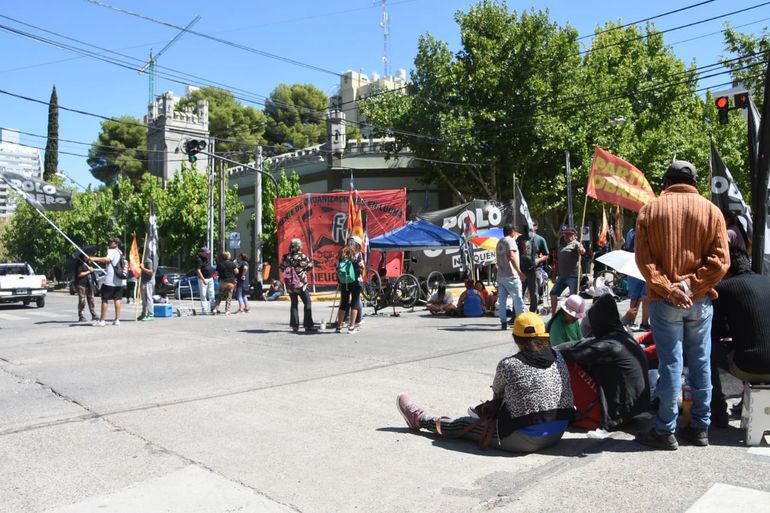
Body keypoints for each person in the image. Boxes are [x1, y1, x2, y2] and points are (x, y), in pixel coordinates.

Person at [634, 160, 729, 450]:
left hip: (665, 302)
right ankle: (701, 427)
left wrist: (670, 288)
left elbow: (644, 260)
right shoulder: (711, 211)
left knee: (671, 364)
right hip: (699, 300)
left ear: (665, 181)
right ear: (695, 182)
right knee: (701, 363)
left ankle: (666, 429)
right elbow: (720, 261)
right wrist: (690, 286)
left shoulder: (650, 210)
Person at [396, 312, 574, 453]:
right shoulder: (558, 356)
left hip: (524, 437)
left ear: (516, 339)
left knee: (463, 424)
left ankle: (420, 419)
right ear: (543, 335)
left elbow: (498, 395)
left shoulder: (509, 364)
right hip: (558, 432)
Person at [558, 293, 650, 431]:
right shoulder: (624, 338)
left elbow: (571, 353)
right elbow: (585, 344)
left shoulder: (609, 346)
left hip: (617, 416)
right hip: (635, 411)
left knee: (568, 364)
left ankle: (591, 417)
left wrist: (547, 352)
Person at [710, 247, 770, 428]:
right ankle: (746, 402)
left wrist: (732, 333)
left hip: (749, 365)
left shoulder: (724, 288)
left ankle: (717, 411)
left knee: (706, 348)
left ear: (726, 267)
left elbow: (715, 332)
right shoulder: (767, 281)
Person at [279, 238, 317, 333]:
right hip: (301, 284)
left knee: (294, 304)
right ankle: (308, 325)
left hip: (291, 284)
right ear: (299, 247)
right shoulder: (302, 256)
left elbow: (282, 268)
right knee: (307, 302)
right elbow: (309, 266)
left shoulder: (286, 257)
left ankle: (294, 325)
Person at [88, 237, 126, 327]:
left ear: (117, 244)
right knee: (117, 299)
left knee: (104, 299)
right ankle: (117, 320)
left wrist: (94, 258)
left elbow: (107, 259)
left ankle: (102, 320)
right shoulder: (120, 252)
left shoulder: (112, 251)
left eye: (112, 242)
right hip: (119, 281)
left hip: (110, 280)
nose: (110, 242)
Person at [495, 224, 526, 330]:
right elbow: (512, 256)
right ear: (512, 232)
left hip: (501, 275)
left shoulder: (499, 242)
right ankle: (522, 322)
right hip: (511, 275)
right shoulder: (510, 241)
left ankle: (503, 322)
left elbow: (498, 260)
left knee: (502, 300)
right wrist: (519, 272)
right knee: (517, 299)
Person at [549, 227, 586, 316]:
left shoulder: (576, 244)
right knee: (553, 294)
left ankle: (573, 315)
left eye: (569, 234)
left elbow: (582, 250)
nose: (567, 236)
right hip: (562, 276)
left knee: (573, 298)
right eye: (565, 234)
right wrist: (554, 275)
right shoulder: (561, 246)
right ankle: (554, 314)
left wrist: (582, 251)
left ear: (575, 236)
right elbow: (557, 262)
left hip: (573, 276)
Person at [621, 226, 650, 331]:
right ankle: (644, 323)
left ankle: (631, 321)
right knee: (646, 296)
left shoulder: (631, 231)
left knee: (635, 296)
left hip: (633, 263)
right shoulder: (651, 229)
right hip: (647, 264)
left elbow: (629, 246)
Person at [335, 236, 365, 334]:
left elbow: (337, 267)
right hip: (356, 281)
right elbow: (361, 267)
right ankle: (351, 327)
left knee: (343, 303)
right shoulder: (358, 253)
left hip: (345, 281)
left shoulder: (342, 253)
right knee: (355, 304)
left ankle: (339, 326)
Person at [519, 220, 549, 313]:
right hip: (521, 270)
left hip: (534, 270)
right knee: (519, 293)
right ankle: (517, 314)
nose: (531, 227)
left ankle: (533, 312)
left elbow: (547, 255)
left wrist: (538, 260)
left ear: (536, 227)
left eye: (533, 225)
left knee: (534, 293)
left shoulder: (540, 239)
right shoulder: (520, 239)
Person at [74, 252, 97, 322]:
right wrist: (89, 271)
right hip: (81, 284)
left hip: (89, 284)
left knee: (91, 299)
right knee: (82, 300)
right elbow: (79, 274)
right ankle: (81, 315)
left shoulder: (87, 263)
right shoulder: (79, 263)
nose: (88, 257)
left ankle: (93, 314)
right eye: (87, 255)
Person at [196, 247, 215, 315]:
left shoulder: (207, 258)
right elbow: (198, 270)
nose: (208, 254)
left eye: (208, 253)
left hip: (210, 278)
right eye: (206, 253)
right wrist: (203, 279)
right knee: (203, 294)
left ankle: (213, 308)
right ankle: (204, 309)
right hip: (203, 279)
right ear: (202, 253)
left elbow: (209, 268)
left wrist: (213, 275)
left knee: (211, 293)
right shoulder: (199, 259)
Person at [137, 256, 155, 321]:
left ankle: (150, 314)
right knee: (144, 299)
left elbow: (151, 272)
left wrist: (143, 268)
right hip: (143, 281)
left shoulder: (148, 261)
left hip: (148, 282)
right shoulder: (142, 261)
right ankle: (144, 313)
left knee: (148, 298)